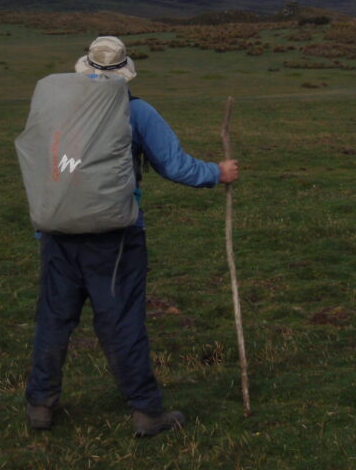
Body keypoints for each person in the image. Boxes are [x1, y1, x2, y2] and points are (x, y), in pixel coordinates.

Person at [25, 35, 240, 437]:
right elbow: (174, 166)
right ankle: (146, 411)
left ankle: (40, 405)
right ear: (123, 71)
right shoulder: (136, 111)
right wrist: (217, 172)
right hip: (116, 238)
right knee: (122, 323)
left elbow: (53, 161)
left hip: (58, 233)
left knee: (53, 321)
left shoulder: (60, 109)